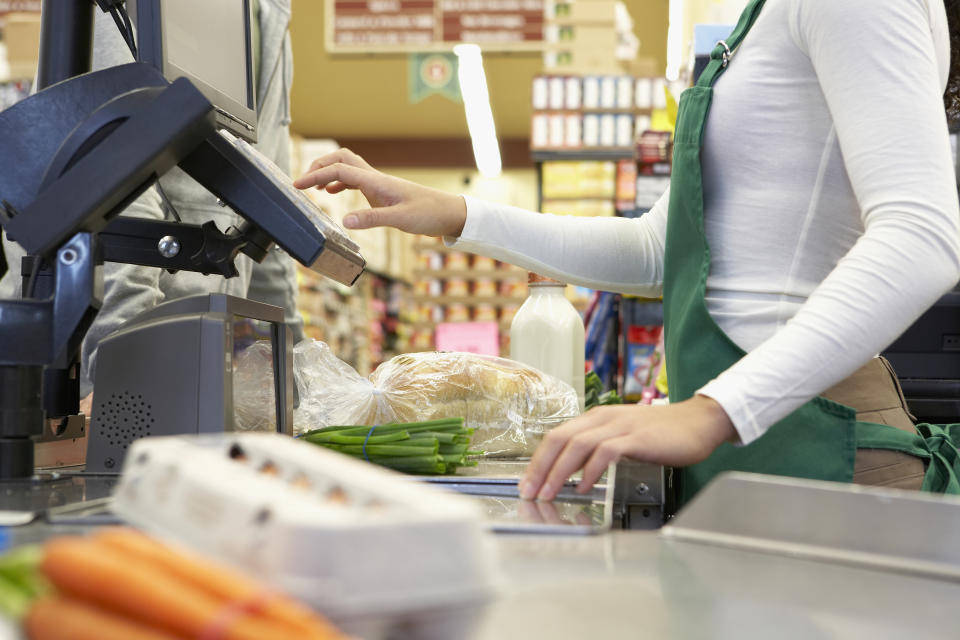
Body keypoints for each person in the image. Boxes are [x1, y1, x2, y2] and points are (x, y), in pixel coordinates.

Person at [296, 0, 960, 504]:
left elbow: (922, 235)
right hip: (753, 437)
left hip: (815, 440)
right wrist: (458, 214)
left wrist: (711, 412)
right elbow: (655, 248)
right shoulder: (755, 17)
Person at [0, 0, 303, 408]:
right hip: (116, 374)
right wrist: (127, 387)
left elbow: (271, 214)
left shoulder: (269, 17)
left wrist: (294, 384)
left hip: (195, 370)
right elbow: (108, 191)